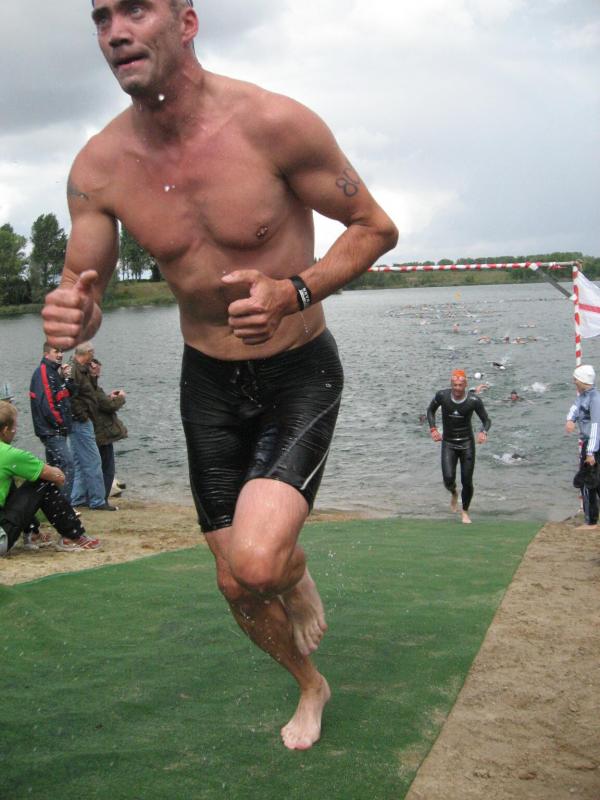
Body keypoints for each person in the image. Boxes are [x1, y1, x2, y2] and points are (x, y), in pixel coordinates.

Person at [41, 0, 398, 751]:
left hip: (298, 370)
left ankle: (285, 566)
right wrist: (74, 312)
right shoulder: (99, 166)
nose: (115, 31)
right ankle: (310, 683)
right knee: (237, 581)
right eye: (100, 17)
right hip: (206, 378)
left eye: (135, 9)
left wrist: (293, 290)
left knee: (257, 561)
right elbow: (86, 286)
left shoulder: (274, 125)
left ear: (187, 22)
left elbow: (375, 227)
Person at [0, 401, 101, 555]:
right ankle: (72, 535)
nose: (16, 430)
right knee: (43, 482)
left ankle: (33, 533)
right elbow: (57, 477)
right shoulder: (9, 454)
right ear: (5, 430)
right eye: (15, 426)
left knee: (9, 482)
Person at [427, 369, 491, 524]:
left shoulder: (474, 400)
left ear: (465, 385)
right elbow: (430, 411)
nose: (457, 388)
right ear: (451, 384)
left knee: (467, 481)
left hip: (466, 443)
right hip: (448, 443)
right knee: (448, 479)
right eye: (454, 385)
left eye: (460, 385)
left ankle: (465, 511)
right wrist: (433, 429)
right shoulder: (442, 396)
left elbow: (486, 420)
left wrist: (483, 432)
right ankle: (454, 493)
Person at [69, 342, 118, 511]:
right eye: (92, 353)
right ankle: (97, 501)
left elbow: (88, 392)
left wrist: (94, 376)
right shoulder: (74, 371)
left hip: (79, 421)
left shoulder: (80, 370)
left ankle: (77, 498)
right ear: (87, 353)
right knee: (93, 461)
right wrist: (83, 415)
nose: (93, 357)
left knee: (80, 462)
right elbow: (71, 397)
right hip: (81, 421)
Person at [29, 342, 76, 501]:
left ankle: (52, 505)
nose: (60, 355)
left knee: (55, 468)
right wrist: (61, 424)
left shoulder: (54, 373)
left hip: (56, 430)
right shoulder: (43, 372)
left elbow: (70, 394)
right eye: (56, 351)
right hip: (51, 430)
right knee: (67, 464)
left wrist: (67, 377)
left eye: (61, 351)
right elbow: (47, 405)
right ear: (46, 354)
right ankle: (64, 507)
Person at [565, 364, 600, 530]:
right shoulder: (584, 396)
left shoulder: (595, 399)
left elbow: (596, 426)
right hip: (591, 444)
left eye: (576, 379)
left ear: (583, 381)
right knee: (596, 482)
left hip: (594, 445)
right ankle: (592, 519)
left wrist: (591, 452)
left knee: (587, 483)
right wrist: (570, 419)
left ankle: (590, 522)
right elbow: (575, 407)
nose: (574, 382)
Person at [89, 358, 128, 503]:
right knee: (107, 468)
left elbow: (101, 402)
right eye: (97, 372)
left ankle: (96, 496)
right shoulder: (91, 387)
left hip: (96, 433)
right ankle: (102, 499)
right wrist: (121, 398)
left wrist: (108, 397)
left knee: (97, 466)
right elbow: (108, 406)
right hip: (102, 434)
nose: (98, 375)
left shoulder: (87, 386)